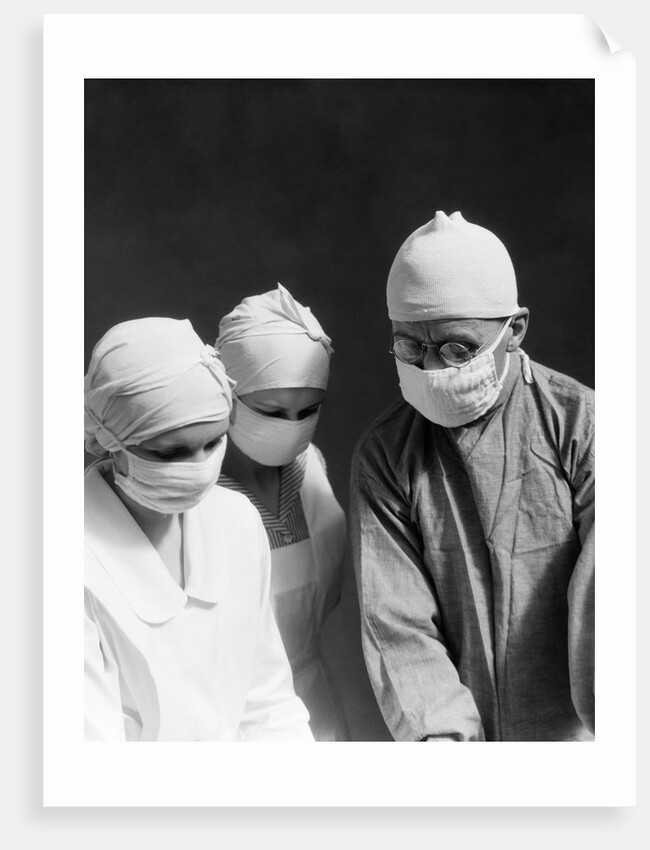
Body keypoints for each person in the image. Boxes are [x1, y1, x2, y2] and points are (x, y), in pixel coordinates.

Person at [351, 211, 594, 742]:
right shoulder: (388, 454)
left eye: (457, 349)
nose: (433, 368)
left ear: (515, 331)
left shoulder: (580, 426)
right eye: (410, 348)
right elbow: (398, 626)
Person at [84, 316, 313, 741]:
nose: (199, 469)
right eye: (170, 452)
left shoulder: (236, 519)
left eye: (213, 443)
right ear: (110, 441)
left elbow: (268, 703)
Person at [215, 284, 349, 741]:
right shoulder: (196, 493)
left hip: (314, 706)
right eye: (271, 411)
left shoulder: (310, 468)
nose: (291, 429)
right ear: (228, 395)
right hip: (231, 722)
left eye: (307, 411)